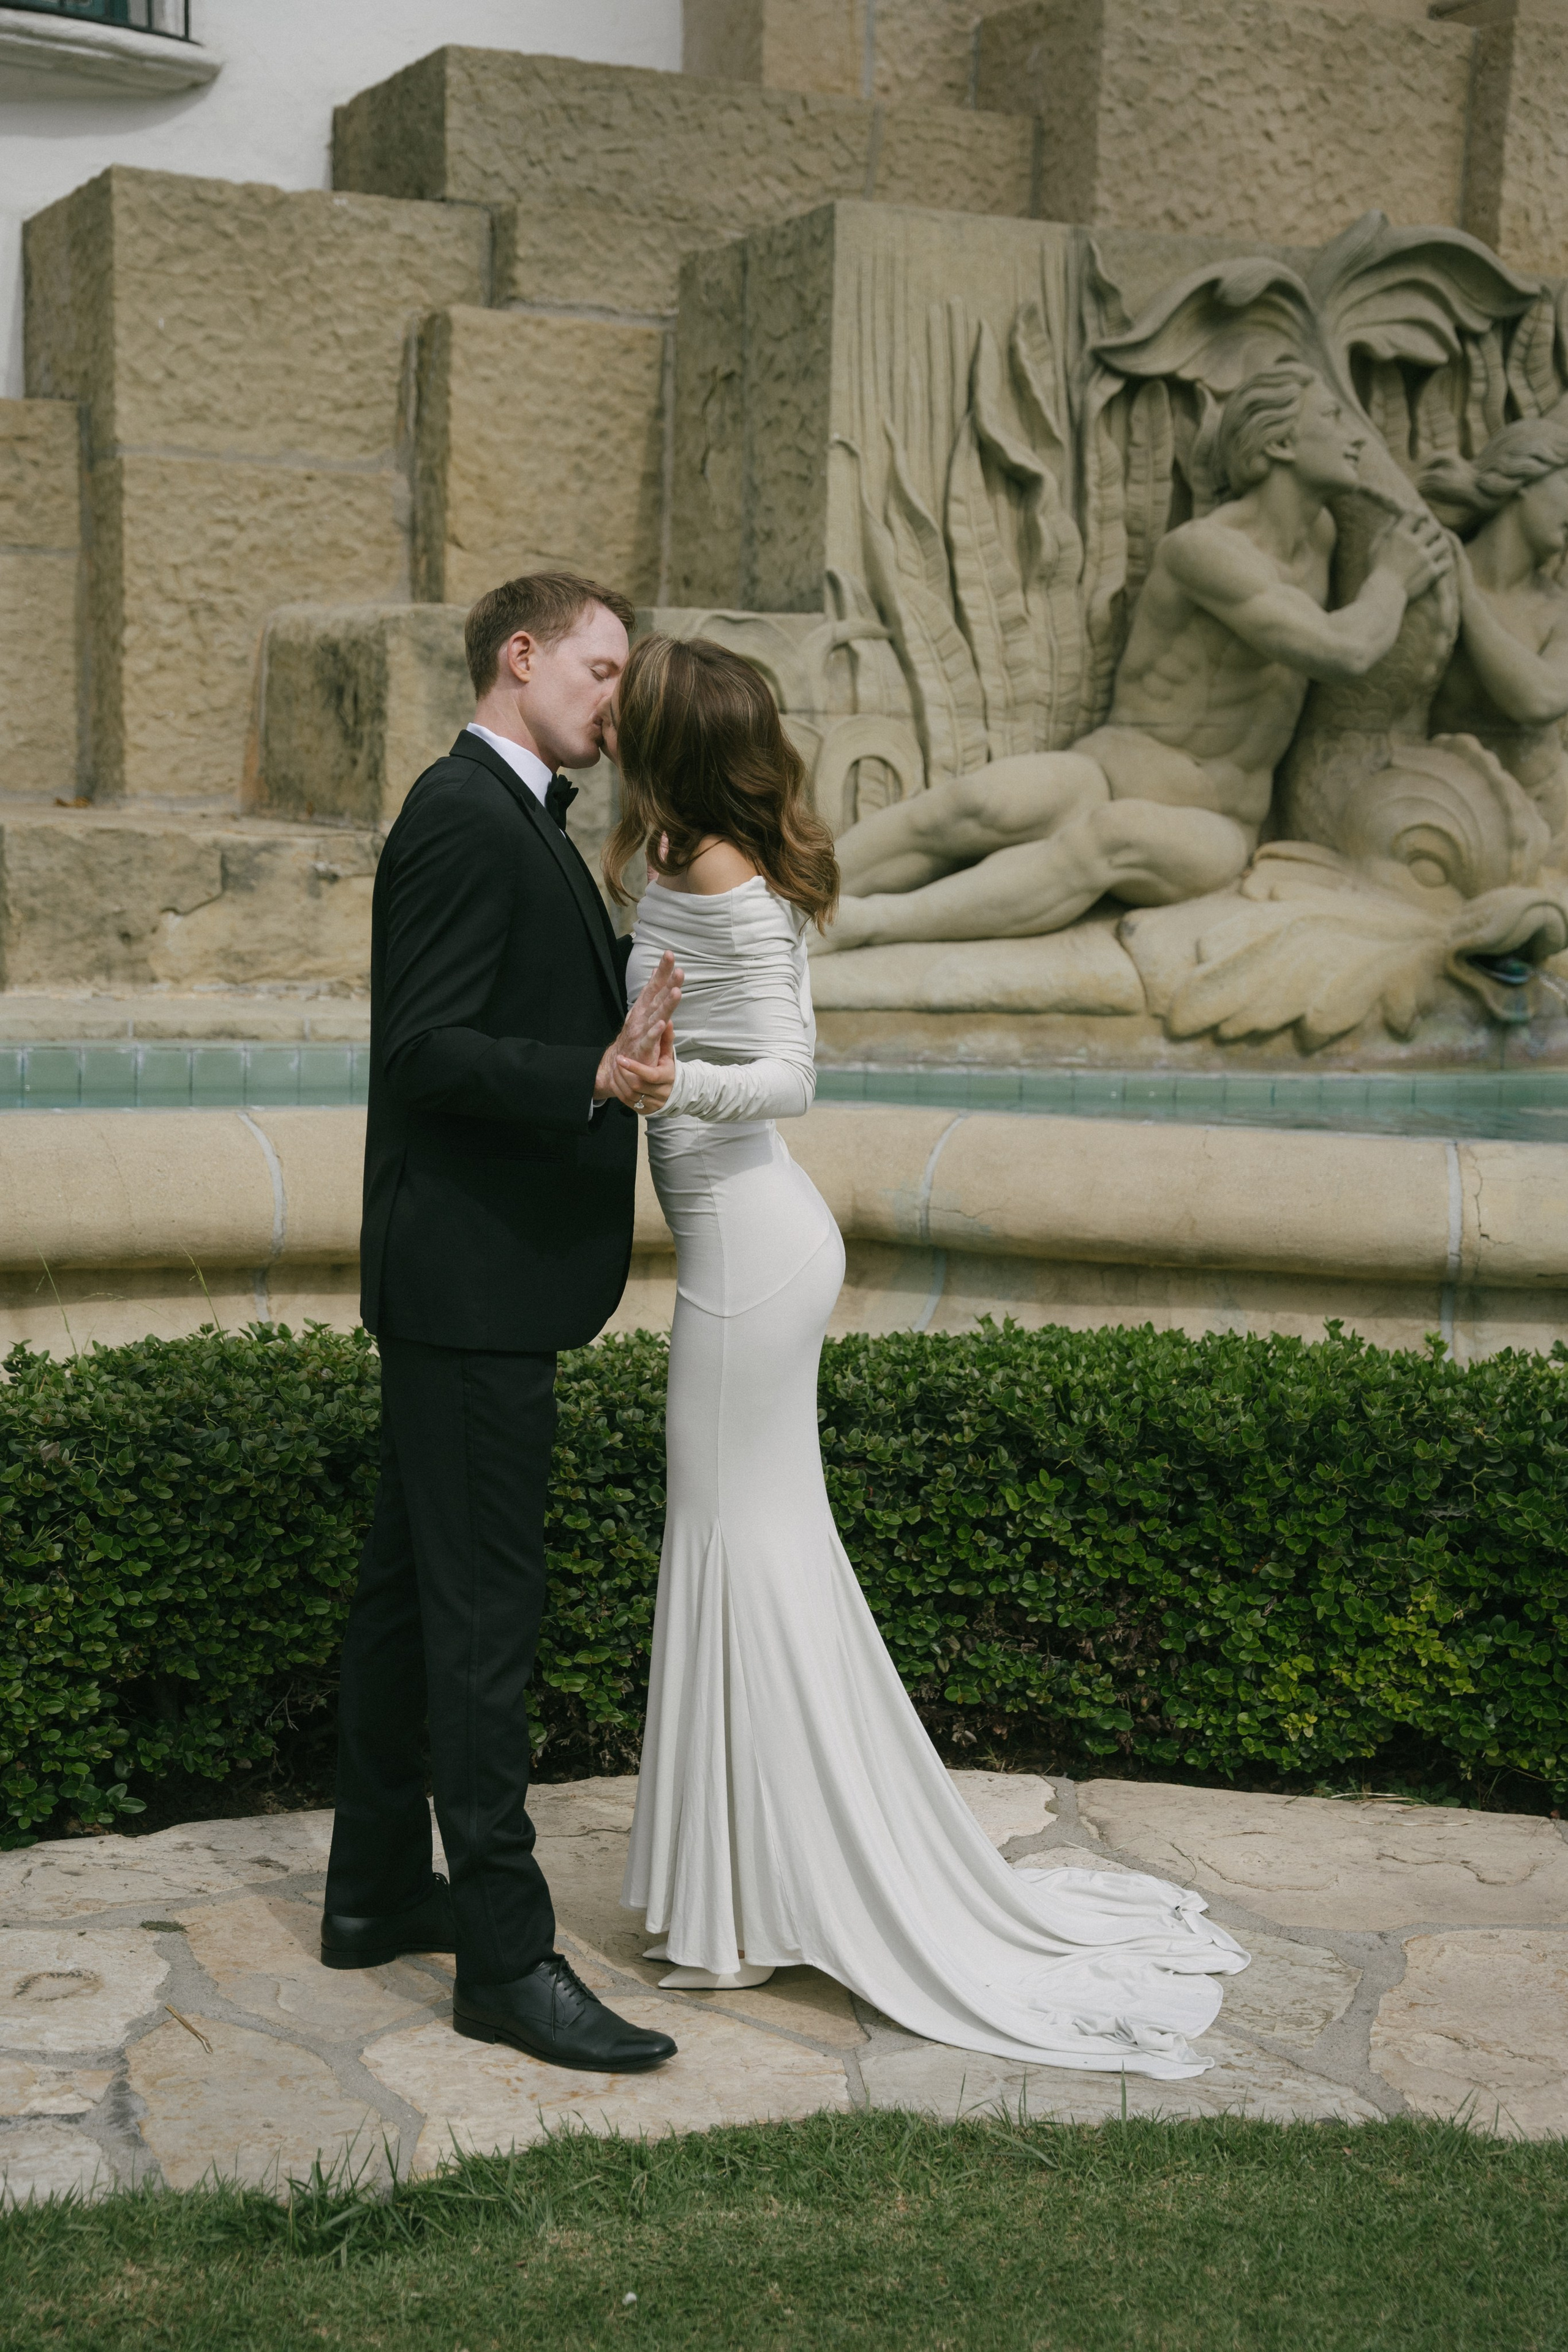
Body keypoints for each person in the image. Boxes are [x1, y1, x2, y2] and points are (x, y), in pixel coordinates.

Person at [603, 634, 1249, 2075]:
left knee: (734, 1547)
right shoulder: (672, 845)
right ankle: (731, 1890)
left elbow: (787, 1075)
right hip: (733, 1243)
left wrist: (668, 1079)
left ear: (668, 742)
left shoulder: (729, 885)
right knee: (742, 1546)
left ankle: (740, 1906)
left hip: (751, 1249)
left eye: (624, 711)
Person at [320, 572, 685, 2075]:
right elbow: (424, 1050)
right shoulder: (466, 813)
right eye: (600, 669)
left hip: (465, 1286)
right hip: (465, 1291)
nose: (616, 696)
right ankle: (506, 1957)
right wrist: (592, 1076)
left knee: (413, 1601)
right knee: (484, 1626)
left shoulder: (515, 814)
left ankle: (369, 1889)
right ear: (517, 658)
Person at [816, 363, 1451, 954]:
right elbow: (1339, 649)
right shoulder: (1206, 549)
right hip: (1110, 767)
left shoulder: (1322, 538)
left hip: (1215, 823)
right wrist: (1391, 579)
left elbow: (1351, 645)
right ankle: (791, 897)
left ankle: (871, 925)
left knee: (1106, 838)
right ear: (1280, 445)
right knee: (974, 805)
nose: (1358, 441)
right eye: (1334, 419)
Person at [1423, 415, 1568, 854]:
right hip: (1460, 820)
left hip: (1556, 816)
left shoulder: (1557, 609)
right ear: (1525, 478)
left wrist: (1468, 600)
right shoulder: (1430, 574)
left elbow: (1540, 699)